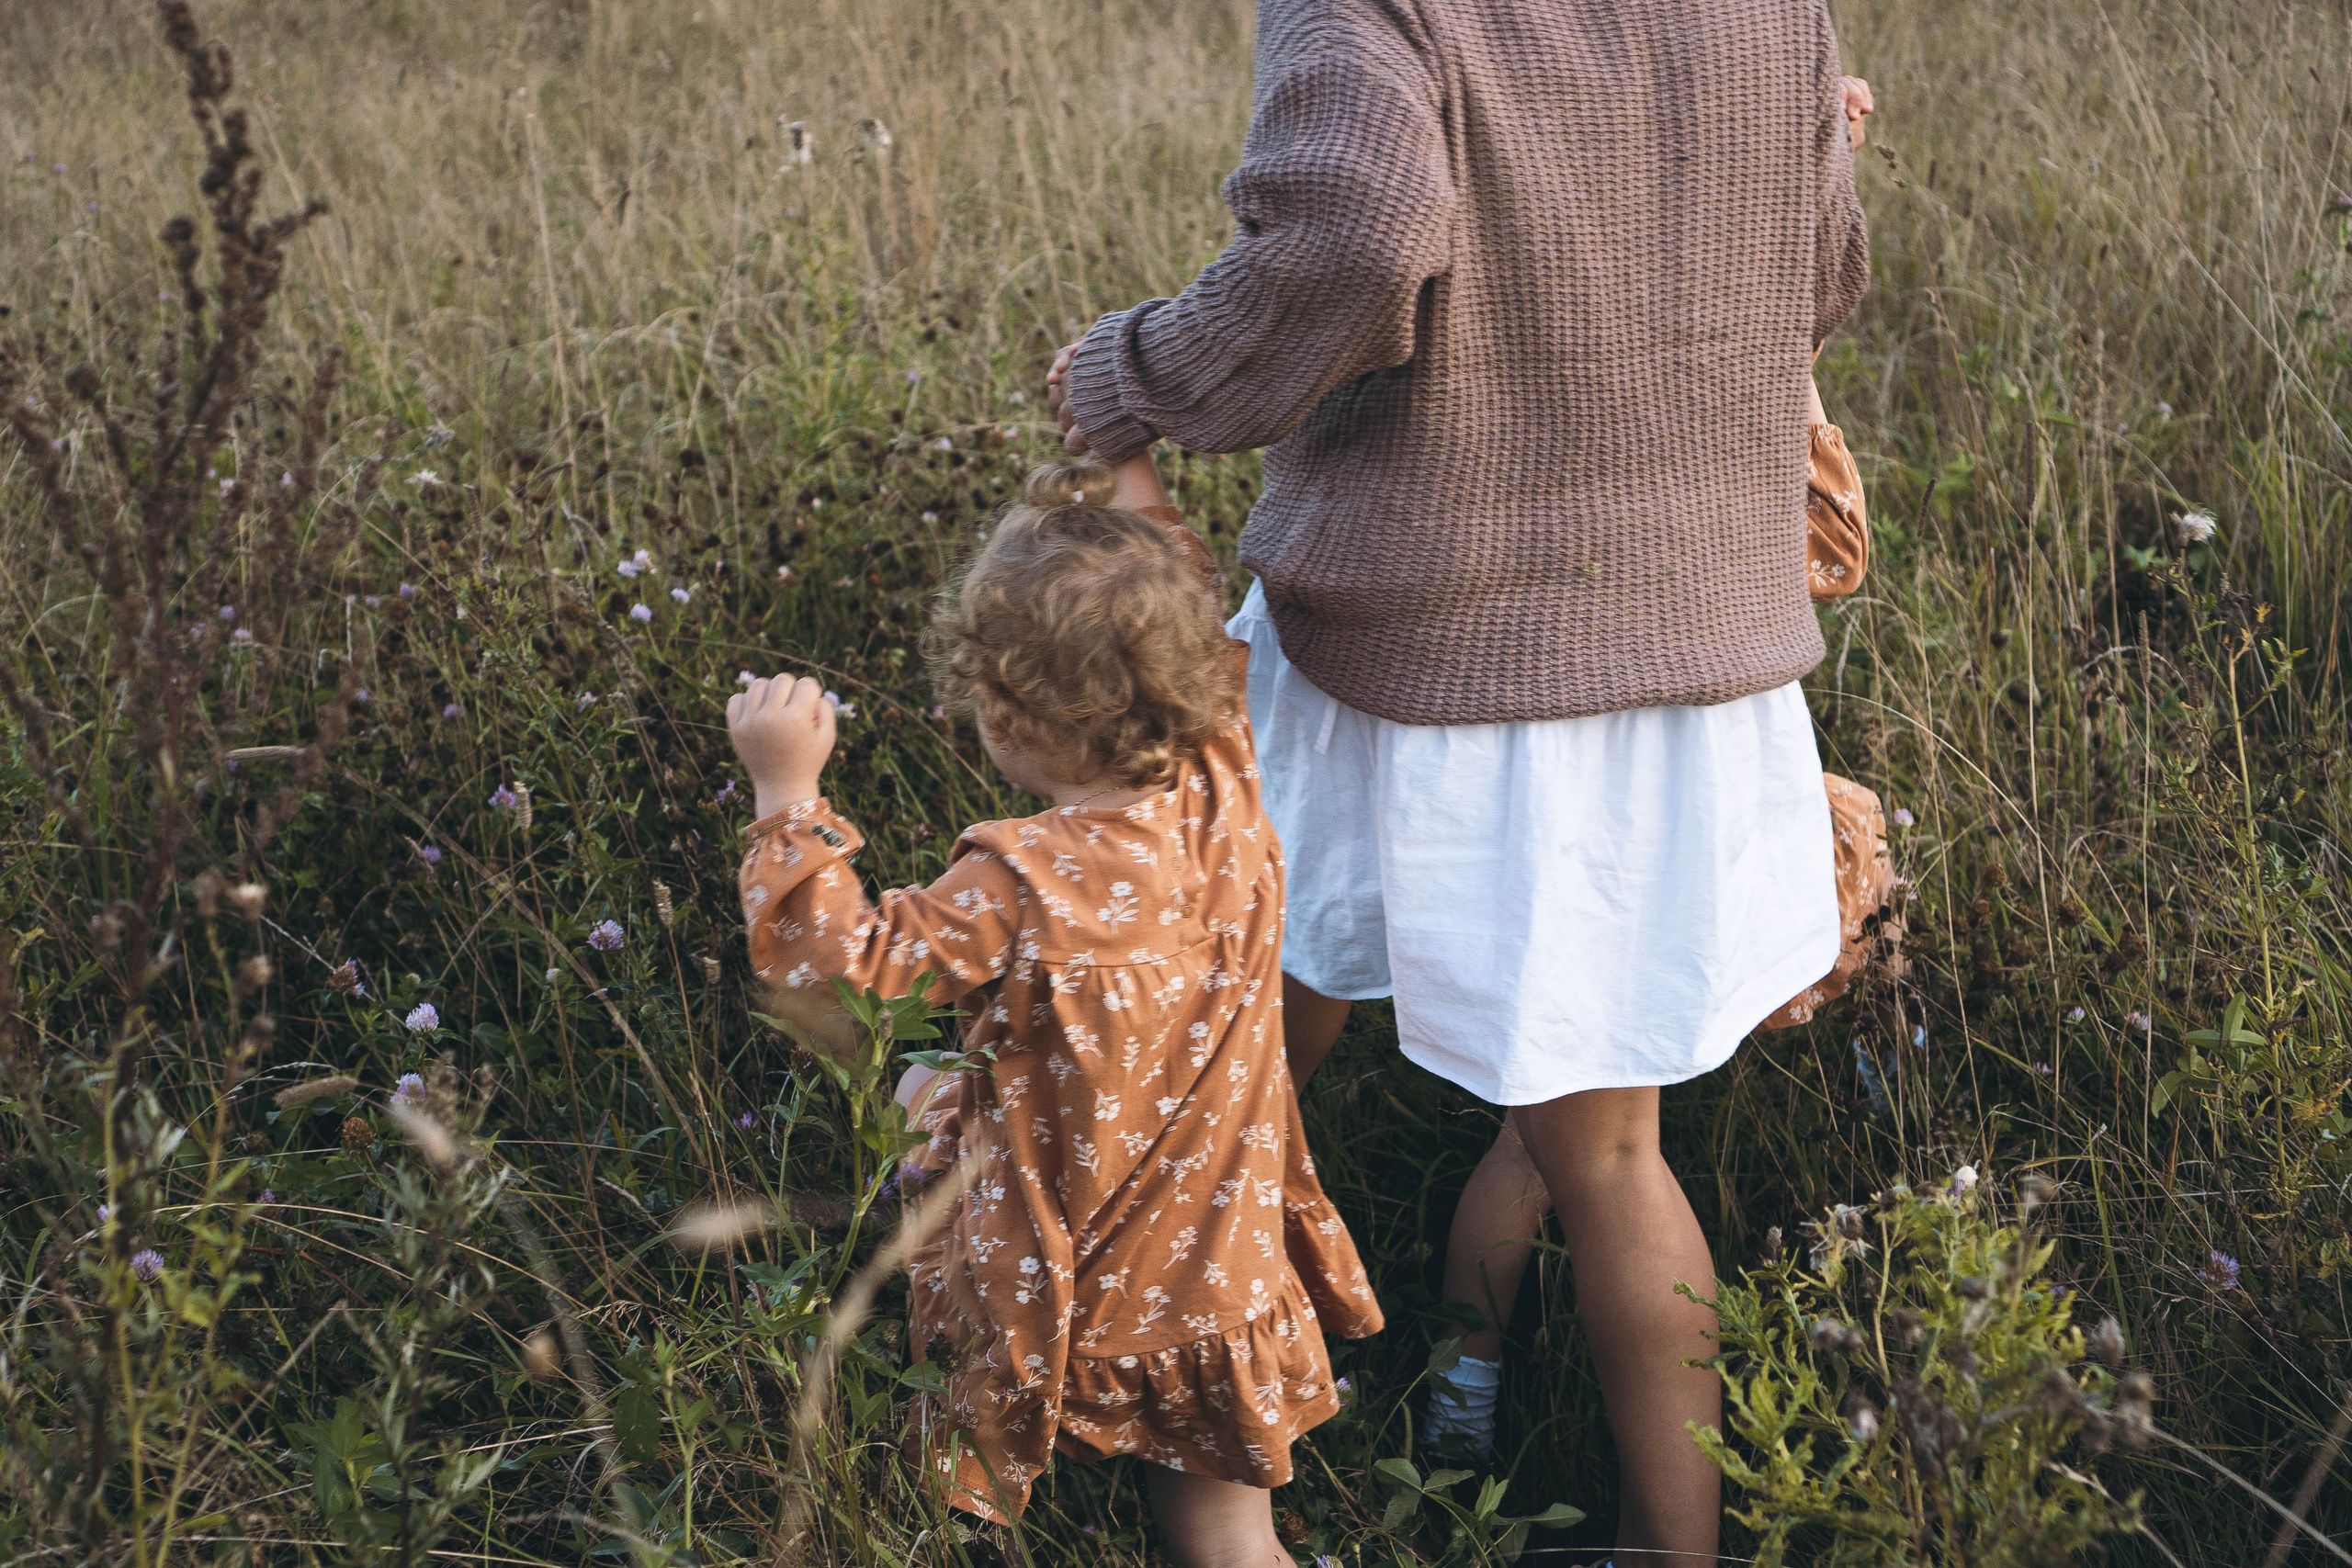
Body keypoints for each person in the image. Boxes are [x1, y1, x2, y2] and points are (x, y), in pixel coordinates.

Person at [1046, 1, 1874, 1560]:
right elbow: (1818, 275)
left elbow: (1359, 231)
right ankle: (1665, 1548)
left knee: (1240, 1059)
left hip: (1431, 653)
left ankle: (1211, 1453)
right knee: (1613, 1157)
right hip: (1690, 646)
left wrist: (1136, 367)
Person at [725, 455, 1382, 1567]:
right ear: (1189, 675)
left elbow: (836, 973)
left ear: (1010, 715)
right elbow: (1182, 598)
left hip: (1062, 1263)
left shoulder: (1018, 882)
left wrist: (786, 793)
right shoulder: (1227, 778)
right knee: (1225, 1533)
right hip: (1216, 1251)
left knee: (920, 1098)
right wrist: (1127, 475)